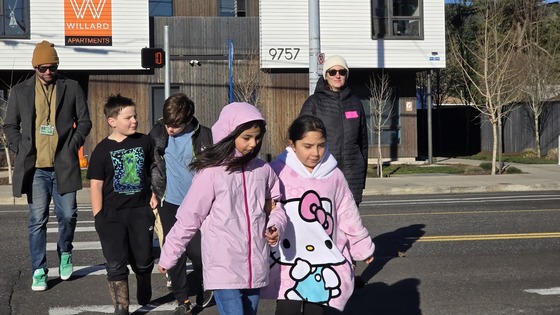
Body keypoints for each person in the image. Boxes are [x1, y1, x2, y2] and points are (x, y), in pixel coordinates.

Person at [158, 102, 287, 315]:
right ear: (229, 134)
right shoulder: (211, 173)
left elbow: (277, 205)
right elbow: (189, 217)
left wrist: (275, 225)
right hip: (222, 263)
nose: (253, 143)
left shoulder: (263, 170)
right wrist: (170, 254)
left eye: (257, 137)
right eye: (246, 137)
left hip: (255, 262)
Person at [2, 40, 92, 291]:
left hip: (64, 164)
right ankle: (39, 270)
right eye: (43, 68)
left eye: (52, 67)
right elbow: (9, 126)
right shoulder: (20, 91)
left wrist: (72, 145)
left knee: (68, 215)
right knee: (37, 220)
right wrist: (19, 148)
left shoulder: (71, 87)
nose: (48, 72)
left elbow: (84, 122)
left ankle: (65, 252)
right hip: (36, 168)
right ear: (35, 67)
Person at [264, 115, 375, 314]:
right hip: (288, 257)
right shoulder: (277, 171)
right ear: (293, 144)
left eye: (321, 145)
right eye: (308, 146)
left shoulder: (334, 175)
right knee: (286, 308)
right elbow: (267, 207)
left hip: (322, 259)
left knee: (316, 309)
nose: (315, 153)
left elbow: (347, 213)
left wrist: (362, 246)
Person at [87, 94, 155, 315]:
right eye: (128, 117)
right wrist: (99, 217)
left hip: (140, 211)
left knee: (143, 259)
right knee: (115, 263)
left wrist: (155, 194)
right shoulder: (101, 150)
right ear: (112, 121)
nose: (134, 121)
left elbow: (154, 173)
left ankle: (144, 278)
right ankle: (121, 306)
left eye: (135, 116)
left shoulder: (145, 142)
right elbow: (96, 185)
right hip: (112, 215)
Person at [149, 93, 213, 314]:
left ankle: (206, 284)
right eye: (167, 123)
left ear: (188, 119)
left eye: (175, 125)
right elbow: (149, 162)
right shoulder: (157, 133)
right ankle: (182, 301)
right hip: (170, 202)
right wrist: (152, 190)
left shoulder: (205, 136)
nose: (169, 129)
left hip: (197, 205)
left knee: (198, 253)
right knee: (173, 253)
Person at [300, 55, 368, 206]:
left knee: (350, 227)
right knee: (326, 224)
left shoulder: (356, 104)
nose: (337, 75)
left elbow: (363, 143)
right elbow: (301, 140)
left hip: (352, 175)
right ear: (326, 75)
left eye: (342, 72)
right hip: (323, 172)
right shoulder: (314, 103)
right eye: (332, 72)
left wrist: (362, 176)